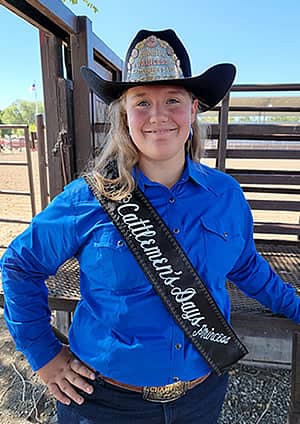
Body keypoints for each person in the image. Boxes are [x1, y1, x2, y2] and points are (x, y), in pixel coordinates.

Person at [1, 28, 300, 424]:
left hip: (202, 397)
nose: (158, 116)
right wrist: (44, 356)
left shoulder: (225, 195)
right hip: (102, 403)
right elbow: (20, 265)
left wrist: (296, 306)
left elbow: (246, 266)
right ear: (125, 114)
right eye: (142, 102)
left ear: (193, 109)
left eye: (172, 100)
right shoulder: (86, 198)